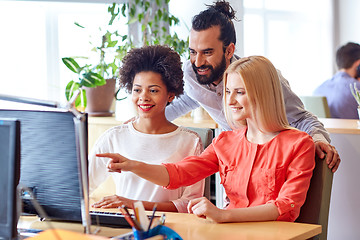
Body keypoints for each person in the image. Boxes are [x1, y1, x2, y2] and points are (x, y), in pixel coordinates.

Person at [98, 56, 315, 223]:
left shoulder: (299, 144)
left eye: (239, 92)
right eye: (228, 91)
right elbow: (179, 173)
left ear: (263, 93)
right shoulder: (225, 142)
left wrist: (222, 215)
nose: (229, 100)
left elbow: (286, 206)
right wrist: (132, 165)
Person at [163, 0, 340, 172]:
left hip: (270, 164)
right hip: (233, 161)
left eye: (207, 52)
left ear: (229, 50)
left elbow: (301, 119)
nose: (198, 62)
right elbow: (190, 99)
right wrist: (145, 120)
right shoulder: (191, 73)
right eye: (193, 52)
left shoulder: (262, 77)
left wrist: (317, 139)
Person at [88, 45, 204, 213]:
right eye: (137, 90)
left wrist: (135, 205)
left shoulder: (189, 141)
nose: (143, 97)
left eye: (153, 90)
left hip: (171, 229)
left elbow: (190, 204)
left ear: (171, 95)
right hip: (125, 228)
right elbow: (82, 187)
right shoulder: (114, 138)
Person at [313, 42, 360, 119]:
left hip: (325, 131)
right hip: (351, 131)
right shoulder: (356, 87)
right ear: (358, 63)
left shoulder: (318, 89)